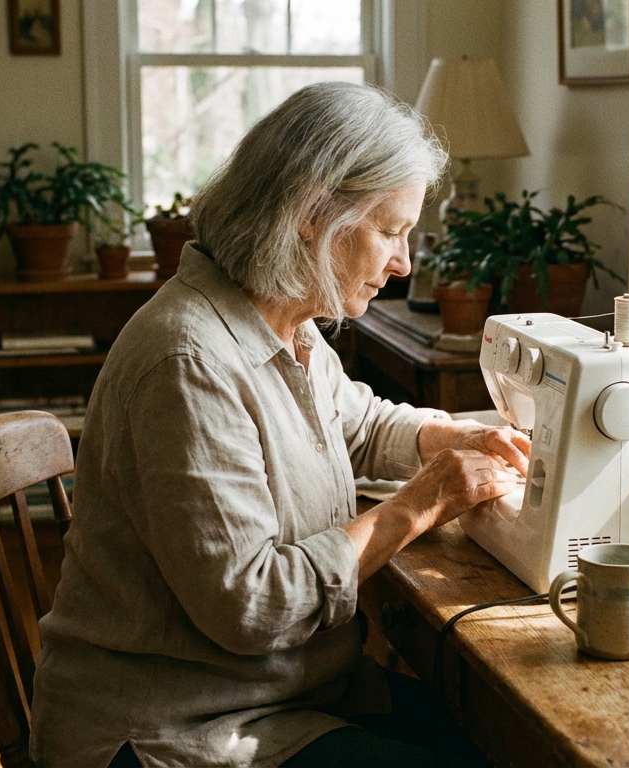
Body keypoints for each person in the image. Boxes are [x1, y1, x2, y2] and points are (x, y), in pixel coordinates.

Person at [29, 81, 529, 767]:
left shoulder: (277, 317)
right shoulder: (190, 360)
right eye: (391, 231)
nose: (404, 263)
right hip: (171, 729)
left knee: (501, 742)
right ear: (313, 211)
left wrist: (446, 437)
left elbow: (354, 423)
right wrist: (425, 500)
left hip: (285, 693)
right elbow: (252, 604)